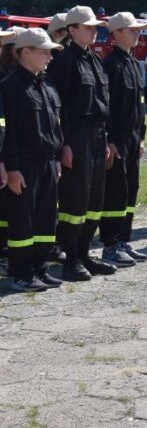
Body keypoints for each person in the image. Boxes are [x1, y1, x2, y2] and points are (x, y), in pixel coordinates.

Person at [48, 6, 117, 281]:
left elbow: (103, 103)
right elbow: (57, 108)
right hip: (75, 137)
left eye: (95, 26)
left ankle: (86, 253)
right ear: (72, 30)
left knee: (94, 200)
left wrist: (107, 140)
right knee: (75, 200)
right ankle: (71, 258)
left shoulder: (95, 59)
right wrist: (62, 144)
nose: (94, 30)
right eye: (88, 27)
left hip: (97, 136)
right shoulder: (64, 62)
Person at [0, 28, 64, 291]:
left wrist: (58, 157)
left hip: (48, 162)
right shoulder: (9, 87)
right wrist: (12, 168)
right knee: (23, 222)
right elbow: (7, 131)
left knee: (46, 219)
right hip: (24, 164)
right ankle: (22, 273)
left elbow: (55, 125)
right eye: (44, 51)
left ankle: (40, 267)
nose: (50, 56)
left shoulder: (46, 84)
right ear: (25, 52)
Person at [99, 12, 147, 267]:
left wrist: (141, 135)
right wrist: (108, 140)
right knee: (116, 192)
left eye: (138, 30)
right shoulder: (112, 65)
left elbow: (139, 104)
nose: (137, 33)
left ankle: (123, 239)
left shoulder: (132, 62)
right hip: (117, 138)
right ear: (117, 33)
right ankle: (110, 243)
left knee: (131, 190)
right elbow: (107, 107)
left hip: (132, 138)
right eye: (132, 30)